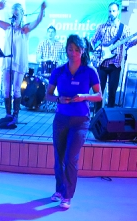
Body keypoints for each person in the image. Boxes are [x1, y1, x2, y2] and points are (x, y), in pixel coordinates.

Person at [45, 35, 102, 209]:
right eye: (70, 49)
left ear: (83, 51)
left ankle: (67, 195)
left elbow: (99, 96)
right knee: (59, 158)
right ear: (66, 50)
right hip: (61, 119)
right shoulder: (59, 71)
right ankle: (59, 190)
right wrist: (58, 99)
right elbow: (48, 95)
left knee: (71, 158)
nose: (73, 53)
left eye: (77, 49)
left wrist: (84, 96)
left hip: (80, 121)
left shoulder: (90, 71)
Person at [0, 1, 46, 126]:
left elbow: (38, 20)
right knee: (6, 90)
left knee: (16, 90)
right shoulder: (8, 27)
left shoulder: (24, 29)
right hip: (8, 61)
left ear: (22, 14)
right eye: (12, 14)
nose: (14, 17)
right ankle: (8, 114)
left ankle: (15, 115)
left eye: (17, 14)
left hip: (19, 62)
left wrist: (42, 9)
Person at [90, 2, 137, 112]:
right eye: (110, 11)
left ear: (118, 12)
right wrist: (94, 51)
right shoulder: (101, 27)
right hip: (102, 64)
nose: (111, 13)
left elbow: (128, 44)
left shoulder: (124, 28)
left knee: (112, 92)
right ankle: (97, 115)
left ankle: (110, 116)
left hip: (116, 64)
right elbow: (93, 41)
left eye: (114, 11)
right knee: (99, 91)